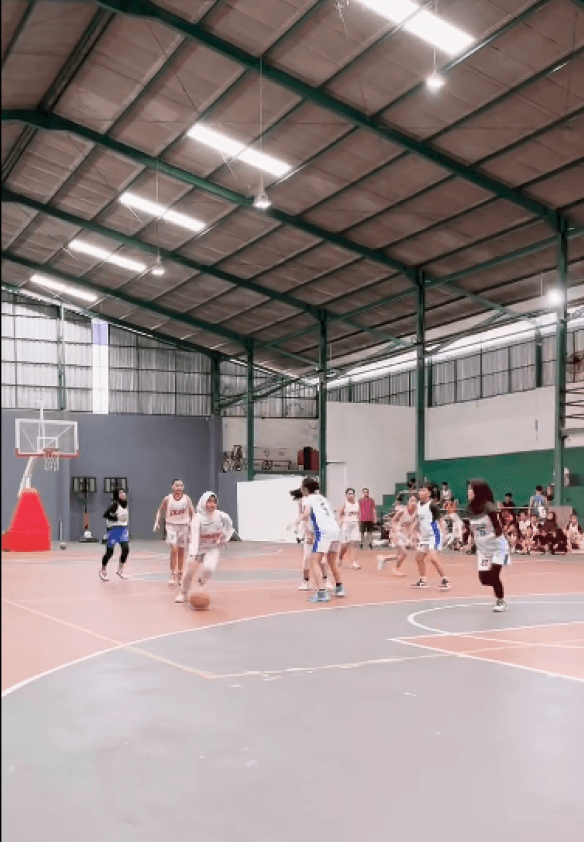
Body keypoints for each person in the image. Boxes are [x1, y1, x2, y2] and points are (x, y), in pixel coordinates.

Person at [175, 491, 234, 603]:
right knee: (189, 573)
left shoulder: (222, 516)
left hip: (212, 548)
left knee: (209, 568)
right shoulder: (197, 518)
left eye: (214, 502)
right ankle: (183, 593)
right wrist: (193, 553)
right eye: (209, 502)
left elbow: (230, 527)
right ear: (203, 503)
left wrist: (224, 538)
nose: (212, 504)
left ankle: (201, 581)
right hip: (197, 549)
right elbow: (194, 536)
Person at [467, 479, 510, 612]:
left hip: (497, 546)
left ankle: (501, 600)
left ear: (478, 491)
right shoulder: (469, 509)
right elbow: (472, 528)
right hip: (483, 549)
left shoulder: (489, 506)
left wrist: (491, 537)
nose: (468, 492)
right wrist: (472, 541)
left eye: (470, 489)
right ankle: (498, 585)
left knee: (494, 575)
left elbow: (498, 528)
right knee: (483, 579)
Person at [300, 477, 345, 604]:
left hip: (324, 532)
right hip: (335, 531)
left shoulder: (308, 499)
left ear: (306, 489)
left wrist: (296, 520)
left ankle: (322, 593)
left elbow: (307, 512)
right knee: (332, 561)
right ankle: (339, 587)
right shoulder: (323, 499)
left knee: (314, 561)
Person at [153, 479, 195, 587]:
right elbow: (160, 510)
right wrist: (156, 522)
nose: (178, 488)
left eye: (181, 485)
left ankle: (180, 574)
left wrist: (194, 525)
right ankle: (172, 573)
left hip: (184, 525)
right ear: (172, 487)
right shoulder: (168, 498)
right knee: (174, 548)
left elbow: (192, 512)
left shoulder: (186, 499)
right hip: (171, 525)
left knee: (181, 550)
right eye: (176, 485)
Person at [411, 484, 451, 590]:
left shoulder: (432, 505)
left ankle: (445, 580)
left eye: (423, 490)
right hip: (425, 537)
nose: (421, 492)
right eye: (420, 490)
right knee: (419, 558)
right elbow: (419, 520)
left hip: (434, 535)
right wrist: (413, 530)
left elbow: (440, 520)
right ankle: (423, 580)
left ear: (428, 493)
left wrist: (442, 535)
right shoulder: (419, 505)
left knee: (433, 558)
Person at [377, 494, 418, 576]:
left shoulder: (416, 513)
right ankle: (395, 569)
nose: (413, 503)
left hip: (404, 535)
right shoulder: (402, 511)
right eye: (411, 500)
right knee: (403, 553)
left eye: (415, 501)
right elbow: (393, 520)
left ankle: (383, 558)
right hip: (396, 533)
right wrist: (395, 530)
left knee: (400, 554)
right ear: (408, 502)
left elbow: (413, 526)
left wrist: (412, 537)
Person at [99, 489, 130, 581]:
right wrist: (115, 517)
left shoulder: (126, 505)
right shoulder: (114, 504)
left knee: (126, 549)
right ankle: (103, 570)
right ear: (117, 495)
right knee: (110, 552)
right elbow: (105, 514)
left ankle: (120, 570)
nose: (123, 494)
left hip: (123, 530)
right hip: (113, 530)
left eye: (123, 492)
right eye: (120, 493)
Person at [338, 488, 361, 570]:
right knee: (344, 545)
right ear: (346, 495)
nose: (350, 495)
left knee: (353, 544)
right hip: (346, 525)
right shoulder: (345, 503)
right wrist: (341, 521)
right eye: (349, 494)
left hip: (354, 525)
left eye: (352, 493)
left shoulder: (357, 504)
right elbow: (340, 514)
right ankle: (340, 557)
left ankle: (354, 562)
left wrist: (359, 521)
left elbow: (359, 514)